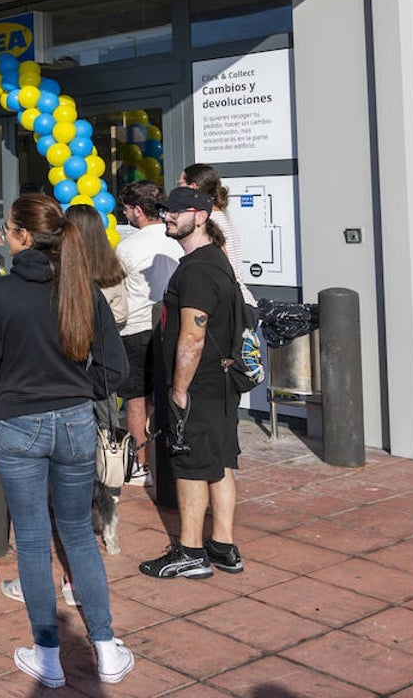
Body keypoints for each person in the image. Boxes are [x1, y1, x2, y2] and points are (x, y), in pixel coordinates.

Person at [0, 193, 134, 688]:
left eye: (8, 228)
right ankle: (104, 645)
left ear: (20, 237)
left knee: (35, 541)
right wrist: (77, 387)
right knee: (78, 531)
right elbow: (115, 369)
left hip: (18, 422)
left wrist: (5, 396)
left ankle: (49, 655)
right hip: (74, 418)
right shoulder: (81, 289)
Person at [140, 187, 246, 580]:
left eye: (176, 211)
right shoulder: (214, 261)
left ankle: (190, 551)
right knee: (219, 462)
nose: (167, 216)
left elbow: (192, 335)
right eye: (165, 210)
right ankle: (222, 545)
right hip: (219, 383)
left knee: (189, 466)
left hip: (199, 386)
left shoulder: (199, 269)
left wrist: (179, 389)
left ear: (200, 216)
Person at [116, 182, 184, 483]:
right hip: (170, 326)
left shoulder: (127, 246)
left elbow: (115, 291)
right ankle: (166, 459)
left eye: (128, 210)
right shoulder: (177, 239)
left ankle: (142, 464)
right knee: (167, 395)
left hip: (135, 328)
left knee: (136, 399)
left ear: (138, 211)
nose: (126, 215)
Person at [179, 164, 256, 307]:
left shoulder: (208, 220)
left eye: (181, 184)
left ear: (193, 187)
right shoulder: (219, 215)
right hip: (240, 300)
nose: (177, 190)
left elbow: (221, 265)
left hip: (230, 306)